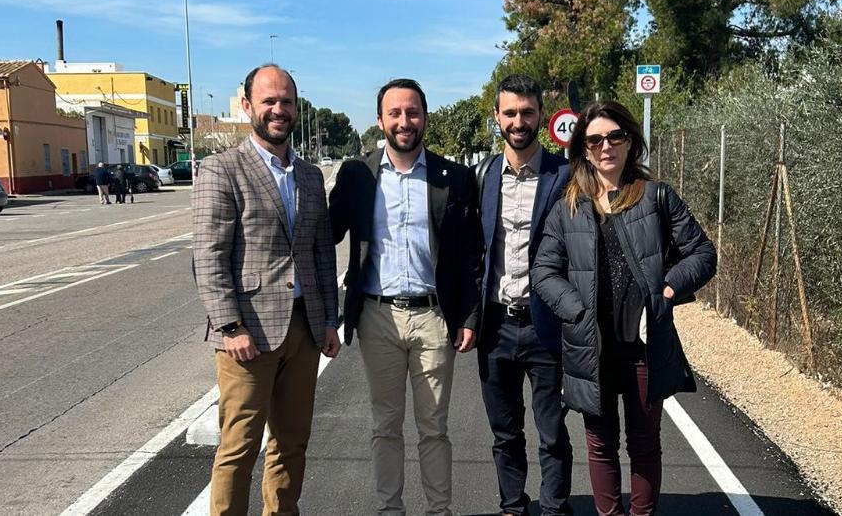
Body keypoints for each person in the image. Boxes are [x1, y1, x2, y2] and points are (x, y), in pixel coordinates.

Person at [531, 100, 717, 516]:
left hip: (643, 348)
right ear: (583, 148)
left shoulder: (656, 197)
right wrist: (576, 310)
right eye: (595, 140)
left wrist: (668, 289)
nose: (606, 146)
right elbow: (543, 271)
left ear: (631, 141)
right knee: (600, 445)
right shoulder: (568, 206)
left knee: (645, 442)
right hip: (590, 347)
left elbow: (702, 254)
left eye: (615, 136)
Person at [193, 63, 342, 516]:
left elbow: (321, 252)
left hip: (304, 328)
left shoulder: (311, 176)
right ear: (247, 106)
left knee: (292, 443)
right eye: (269, 101)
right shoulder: (222, 170)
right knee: (238, 449)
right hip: (248, 337)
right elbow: (208, 257)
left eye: (287, 102)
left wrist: (329, 321)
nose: (279, 110)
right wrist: (230, 325)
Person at [329, 78, 482, 516]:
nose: (404, 121)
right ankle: (389, 510)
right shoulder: (358, 174)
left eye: (412, 112)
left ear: (425, 118)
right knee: (386, 425)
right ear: (380, 120)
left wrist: (469, 315)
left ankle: (439, 510)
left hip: (434, 318)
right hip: (378, 317)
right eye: (394, 113)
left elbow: (471, 252)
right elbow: (324, 232)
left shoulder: (454, 177)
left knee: (434, 427)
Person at [473, 74, 573, 515]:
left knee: (552, 432)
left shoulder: (565, 176)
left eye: (527, 112)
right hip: (494, 326)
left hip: (546, 327)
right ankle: (513, 506)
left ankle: (554, 509)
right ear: (497, 117)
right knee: (505, 432)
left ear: (540, 117)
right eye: (510, 112)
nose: (519, 121)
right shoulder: (480, 176)